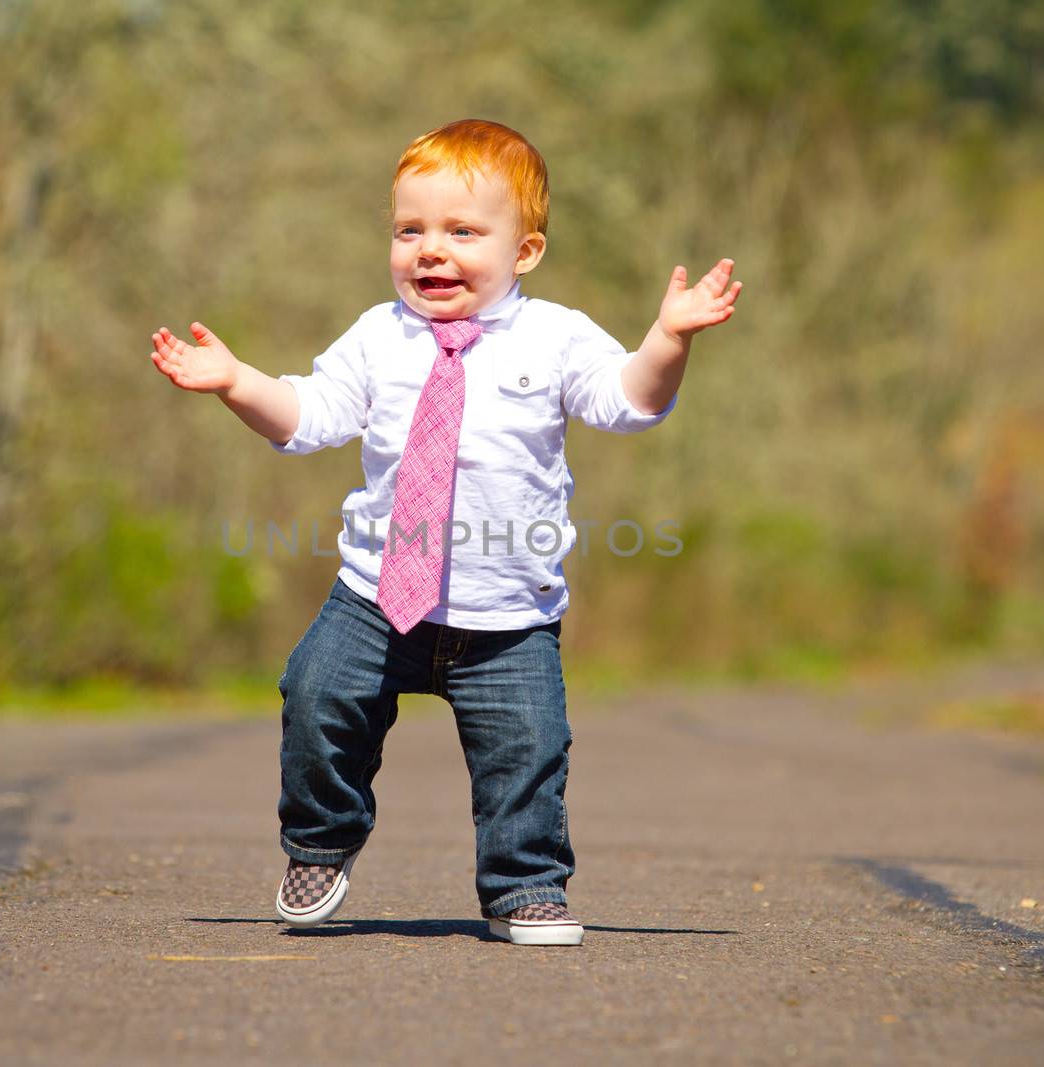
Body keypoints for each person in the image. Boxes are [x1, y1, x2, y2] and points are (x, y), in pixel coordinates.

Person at [149, 119, 741, 946]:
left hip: (507, 614)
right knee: (315, 694)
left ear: (524, 251)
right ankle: (322, 837)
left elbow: (627, 401)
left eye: (463, 232)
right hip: (375, 596)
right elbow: (309, 415)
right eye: (410, 230)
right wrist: (237, 382)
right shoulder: (377, 336)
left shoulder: (555, 334)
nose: (432, 250)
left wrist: (668, 338)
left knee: (527, 752)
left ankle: (523, 884)